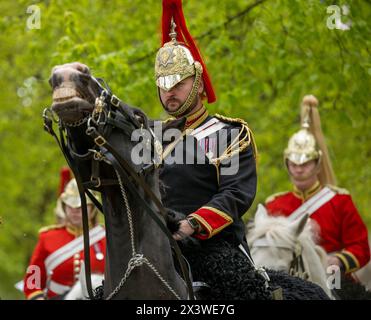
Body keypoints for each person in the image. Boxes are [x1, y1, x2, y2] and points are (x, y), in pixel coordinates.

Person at [154, 0, 264, 298]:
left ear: (199, 84)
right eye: (163, 83)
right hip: (154, 250)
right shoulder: (149, 136)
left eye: (178, 82)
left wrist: (191, 225)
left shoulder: (228, 134)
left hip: (211, 244)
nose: (170, 91)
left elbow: (235, 194)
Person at [265, 95, 370, 275]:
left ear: (317, 164)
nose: (298, 170)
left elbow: (360, 247)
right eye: (294, 164)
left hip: (332, 276)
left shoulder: (339, 201)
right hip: (290, 278)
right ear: (287, 164)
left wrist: (338, 260)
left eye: (305, 164)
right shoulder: (274, 204)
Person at [23, 174, 106, 300]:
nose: (74, 211)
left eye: (80, 206)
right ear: (64, 207)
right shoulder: (47, 237)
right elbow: (32, 280)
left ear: (92, 208)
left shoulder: (106, 236)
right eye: (70, 206)